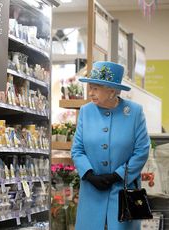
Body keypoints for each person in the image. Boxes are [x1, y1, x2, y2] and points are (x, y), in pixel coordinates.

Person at [71, 61, 150, 230]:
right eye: (90, 87)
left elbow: (142, 150)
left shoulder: (134, 112)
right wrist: (90, 175)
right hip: (92, 190)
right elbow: (77, 149)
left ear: (112, 91)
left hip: (123, 191)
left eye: (95, 88)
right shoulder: (86, 111)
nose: (90, 93)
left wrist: (118, 175)